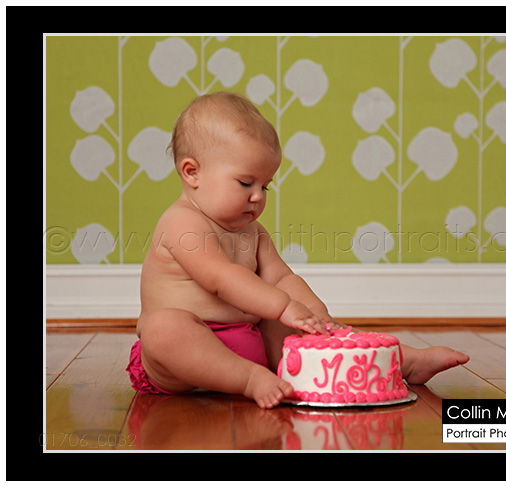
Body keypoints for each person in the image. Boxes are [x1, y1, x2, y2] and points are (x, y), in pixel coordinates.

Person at [127, 92, 470, 408]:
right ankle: (248, 379)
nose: (257, 196)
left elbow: (281, 278)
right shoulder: (182, 224)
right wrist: (284, 307)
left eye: (265, 186)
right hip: (181, 364)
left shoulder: (253, 233)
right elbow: (221, 278)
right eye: (245, 183)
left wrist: (314, 314)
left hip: (248, 342)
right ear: (192, 173)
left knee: (300, 325)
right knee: (164, 328)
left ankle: (402, 361)